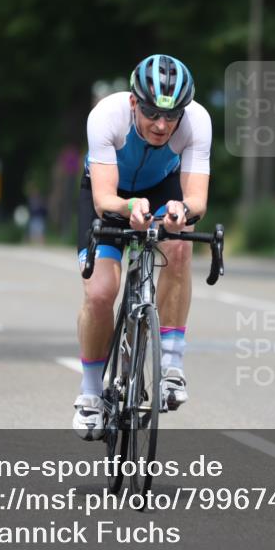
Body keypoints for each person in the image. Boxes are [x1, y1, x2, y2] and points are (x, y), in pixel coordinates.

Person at [74, 54, 211, 440]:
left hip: (161, 190)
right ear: (134, 102)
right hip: (111, 194)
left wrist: (181, 211)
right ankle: (89, 393)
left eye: (172, 116)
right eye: (152, 113)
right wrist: (128, 207)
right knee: (100, 292)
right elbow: (103, 198)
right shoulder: (107, 115)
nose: (162, 125)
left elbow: (197, 199)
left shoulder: (198, 121)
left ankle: (169, 364)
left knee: (180, 246)